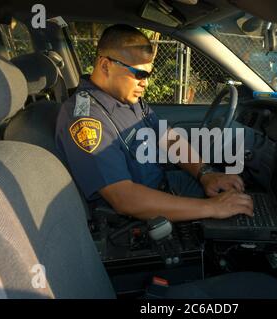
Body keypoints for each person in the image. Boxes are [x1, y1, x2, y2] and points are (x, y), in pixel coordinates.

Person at [55, 24, 253, 222]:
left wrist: (205, 173)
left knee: (243, 194)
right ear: (106, 65)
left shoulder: (127, 99)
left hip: (167, 186)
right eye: (139, 74)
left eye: (148, 75)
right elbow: (123, 198)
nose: (145, 83)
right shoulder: (85, 119)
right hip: (141, 216)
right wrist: (212, 208)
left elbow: (167, 137)